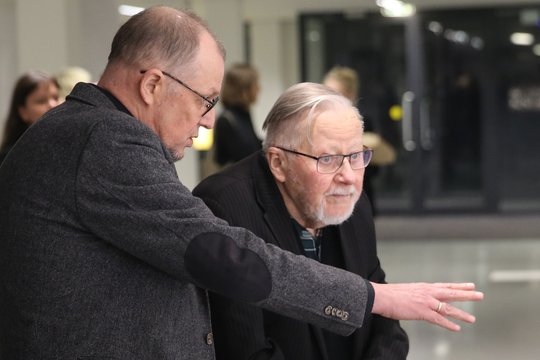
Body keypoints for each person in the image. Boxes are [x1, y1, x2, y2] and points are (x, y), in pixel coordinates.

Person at [0, 6, 482, 360]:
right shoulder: (105, 141)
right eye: (204, 100)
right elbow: (220, 254)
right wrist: (376, 297)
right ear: (152, 85)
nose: (209, 122)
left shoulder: (92, 133)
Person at [194, 82, 409, 359]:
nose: (348, 176)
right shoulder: (224, 208)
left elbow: (385, 321)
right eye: (328, 159)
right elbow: (243, 349)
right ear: (278, 164)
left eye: (355, 155)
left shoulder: (353, 202)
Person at [323, 66, 395, 216]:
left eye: (334, 93)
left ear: (350, 95)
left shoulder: (363, 123)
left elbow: (375, 167)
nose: (328, 98)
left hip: (356, 196)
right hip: (328, 197)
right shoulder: (319, 123)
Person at [0, 70, 60, 163]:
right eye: (41, 101)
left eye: (56, 98)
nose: (53, 105)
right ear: (23, 112)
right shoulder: (11, 158)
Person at [213, 63, 261, 167]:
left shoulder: (244, 114)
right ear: (244, 90)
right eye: (255, 85)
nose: (259, 89)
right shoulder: (226, 120)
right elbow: (245, 156)